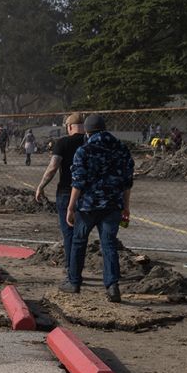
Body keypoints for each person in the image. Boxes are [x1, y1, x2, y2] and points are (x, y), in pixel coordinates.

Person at [64, 113, 133, 302]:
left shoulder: (84, 150)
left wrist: (70, 208)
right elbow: (127, 182)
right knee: (109, 244)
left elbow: (78, 182)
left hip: (88, 206)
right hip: (113, 205)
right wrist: (126, 207)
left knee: (79, 242)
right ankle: (112, 286)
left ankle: (74, 282)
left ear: (87, 131)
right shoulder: (121, 149)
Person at [35, 113, 87, 286]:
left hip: (66, 192)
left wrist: (41, 186)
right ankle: (77, 270)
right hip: (88, 194)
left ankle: (72, 272)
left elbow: (52, 167)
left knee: (69, 233)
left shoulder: (63, 143)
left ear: (69, 127)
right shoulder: (90, 142)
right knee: (82, 235)